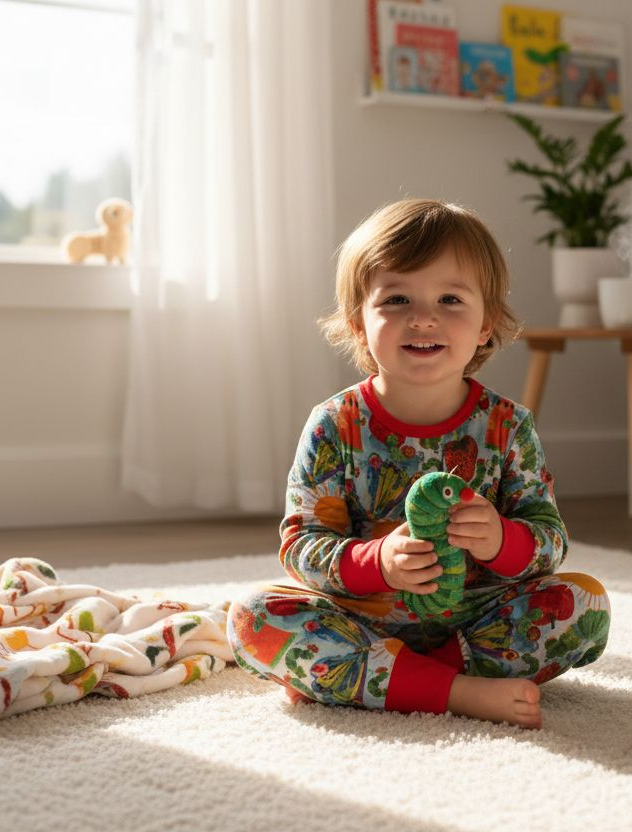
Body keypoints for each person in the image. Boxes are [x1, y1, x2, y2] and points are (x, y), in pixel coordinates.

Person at [226, 199, 611, 729]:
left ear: (485, 325)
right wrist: (378, 561)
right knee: (253, 617)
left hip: (478, 622)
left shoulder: (507, 427)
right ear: (359, 324)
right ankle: (452, 691)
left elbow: (548, 541)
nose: (423, 317)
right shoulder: (334, 425)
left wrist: (501, 539)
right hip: (364, 619)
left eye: (450, 299)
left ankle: (390, 680)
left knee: (584, 605)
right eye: (398, 298)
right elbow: (302, 547)